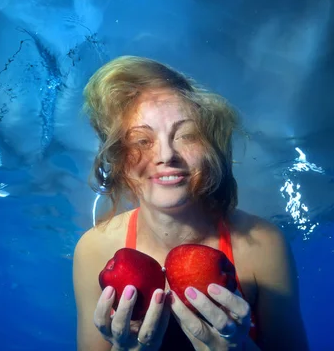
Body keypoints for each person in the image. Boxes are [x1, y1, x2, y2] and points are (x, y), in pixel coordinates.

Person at [73, 56, 309, 350]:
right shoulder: (94, 249)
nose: (166, 155)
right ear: (120, 161)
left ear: (211, 148)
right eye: (141, 141)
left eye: (186, 135)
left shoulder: (262, 244)